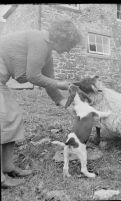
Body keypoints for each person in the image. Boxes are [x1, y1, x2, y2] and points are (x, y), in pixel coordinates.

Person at [0, 19, 82, 188]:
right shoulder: (40, 41)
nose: (68, 51)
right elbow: (33, 76)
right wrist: (62, 84)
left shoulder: (47, 52)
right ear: (62, 38)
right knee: (2, 119)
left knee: (12, 117)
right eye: (69, 45)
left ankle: (7, 166)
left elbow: (48, 83)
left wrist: (66, 106)